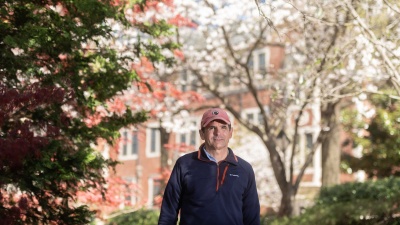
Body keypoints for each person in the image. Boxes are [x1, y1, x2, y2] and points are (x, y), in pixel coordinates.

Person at [158, 108, 260, 225]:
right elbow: (168, 213)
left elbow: (252, 218)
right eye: (212, 128)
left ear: (230, 132)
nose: (218, 133)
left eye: (223, 127)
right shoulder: (184, 164)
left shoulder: (245, 169)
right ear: (202, 133)